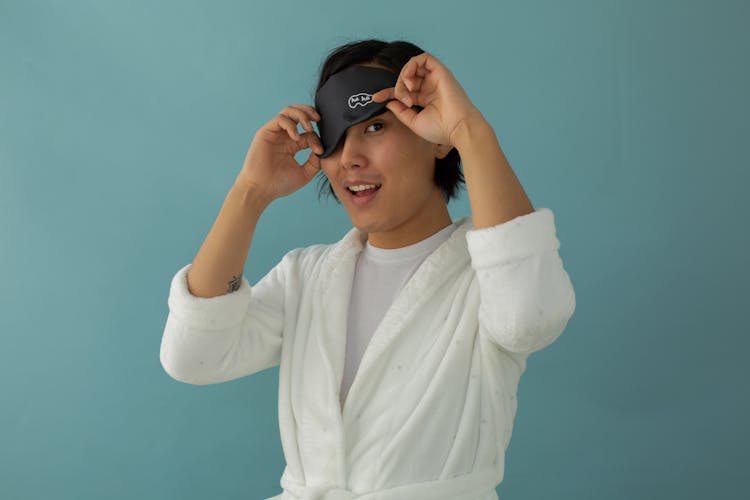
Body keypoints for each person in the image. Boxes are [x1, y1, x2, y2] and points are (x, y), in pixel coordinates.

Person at [160, 39, 576, 500]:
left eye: (376, 126)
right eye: (336, 138)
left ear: (436, 137)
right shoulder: (307, 277)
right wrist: (249, 194)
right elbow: (193, 356)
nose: (351, 158)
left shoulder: (485, 275)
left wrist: (468, 129)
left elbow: (531, 318)